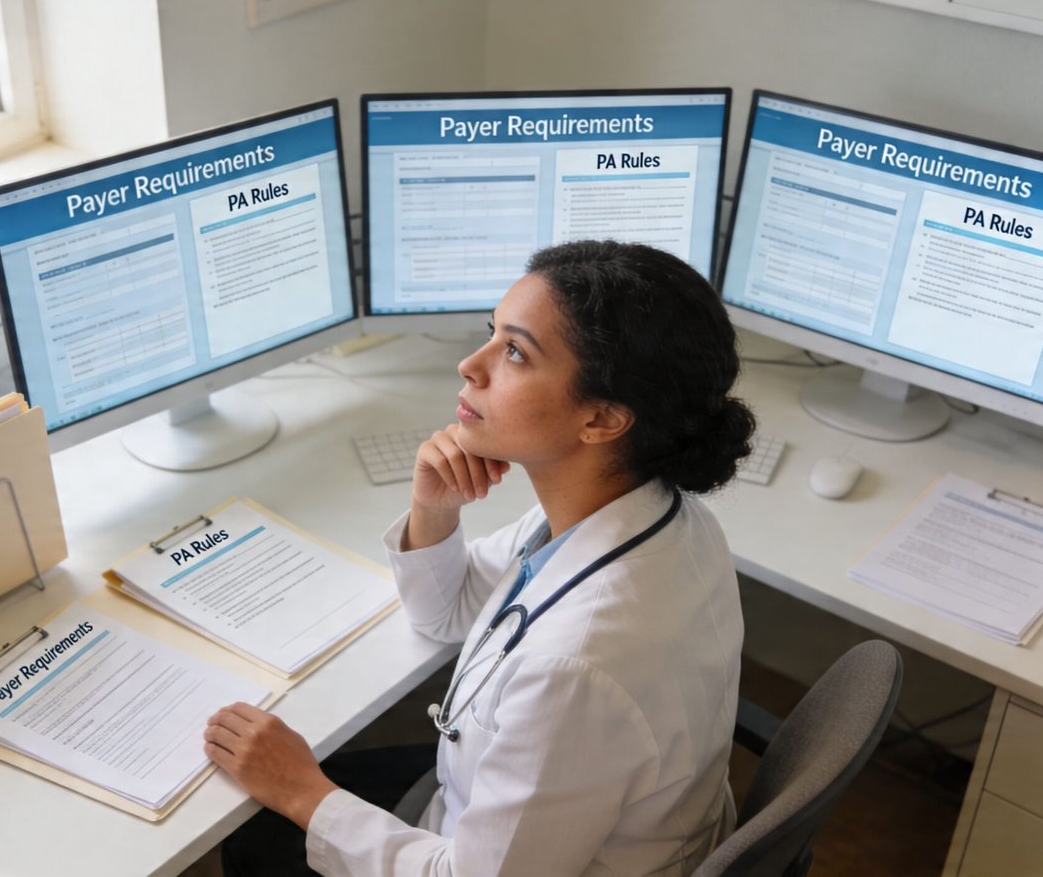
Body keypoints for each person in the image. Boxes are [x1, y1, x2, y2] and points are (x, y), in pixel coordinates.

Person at [203, 239, 753, 876]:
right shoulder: (645, 511)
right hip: (522, 814)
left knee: (255, 840)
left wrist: (302, 791)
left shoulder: (578, 667)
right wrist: (433, 507)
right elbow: (448, 615)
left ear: (601, 418)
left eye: (515, 351)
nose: (471, 364)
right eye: (491, 334)